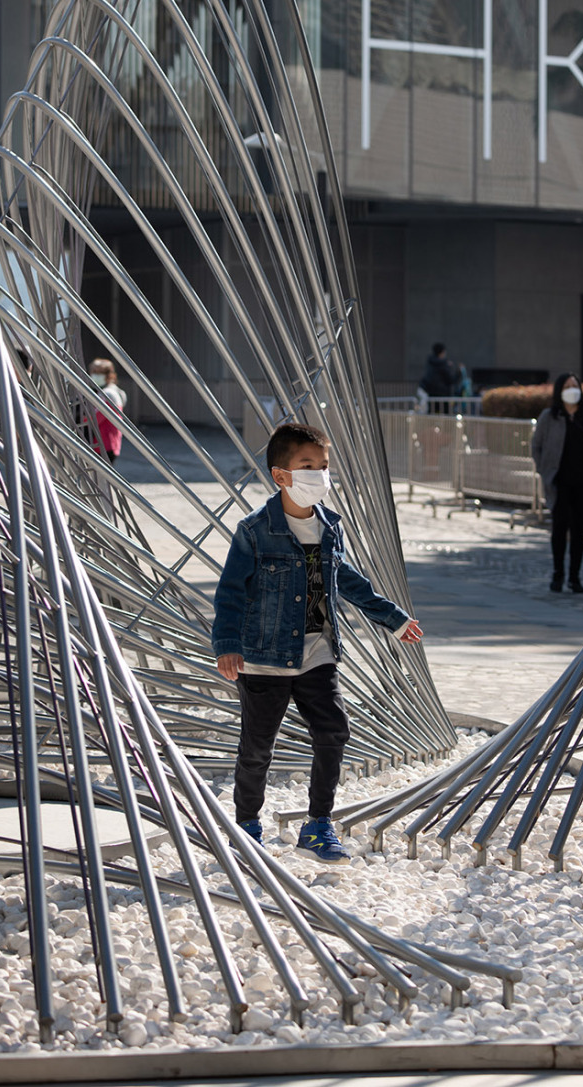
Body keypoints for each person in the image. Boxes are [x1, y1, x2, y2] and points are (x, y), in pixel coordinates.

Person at [212, 421, 422, 863]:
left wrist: (393, 619)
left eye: (323, 465)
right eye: (307, 466)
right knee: (257, 748)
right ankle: (246, 827)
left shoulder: (329, 527)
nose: (319, 475)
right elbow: (230, 590)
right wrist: (227, 643)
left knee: (333, 730)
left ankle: (318, 824)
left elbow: (348, 580)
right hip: (265, 658)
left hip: (317, 654)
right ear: (281, 475)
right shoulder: (254, 530)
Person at [531, 373, 583, 594]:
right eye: (567, 386)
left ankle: (574, 576)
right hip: (559, 482)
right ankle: (558, 574)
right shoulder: (549, 416)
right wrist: (544, 470)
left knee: (578, 530)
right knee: (559, 528)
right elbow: (536, 446)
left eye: (575, 385)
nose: (572, 390)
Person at [87, 357, 127, 464]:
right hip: (110, 443)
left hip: (103, 444)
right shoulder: (116, 392)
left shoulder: (108, 394)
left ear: (109, 375)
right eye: (93, 372)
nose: (95, 375)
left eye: (99, 373)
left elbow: (94, 419)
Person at [418, 342, 458, 411]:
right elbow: (451, 379)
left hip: (431, 394)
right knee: (443, 414)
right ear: (442, 352)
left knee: (432, 414)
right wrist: (458, 373)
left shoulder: (430, 363)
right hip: (442, 396)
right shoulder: (443, 365)